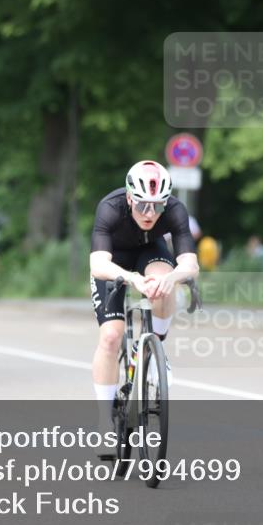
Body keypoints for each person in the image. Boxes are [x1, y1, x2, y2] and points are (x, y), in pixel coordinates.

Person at [89, 160, 200, 432]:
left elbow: (190, 264)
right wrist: (133, 279)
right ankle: (105, 420)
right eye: (141, 205)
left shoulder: (175, 209)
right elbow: (98, 265)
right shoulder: (110, 208)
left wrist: (170, 279)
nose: (150, 213)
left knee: (164, 280)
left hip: (150, 252)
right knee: (111, 337)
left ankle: (155, 349)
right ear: (129, 197)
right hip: (114, 260)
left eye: (157, 205)